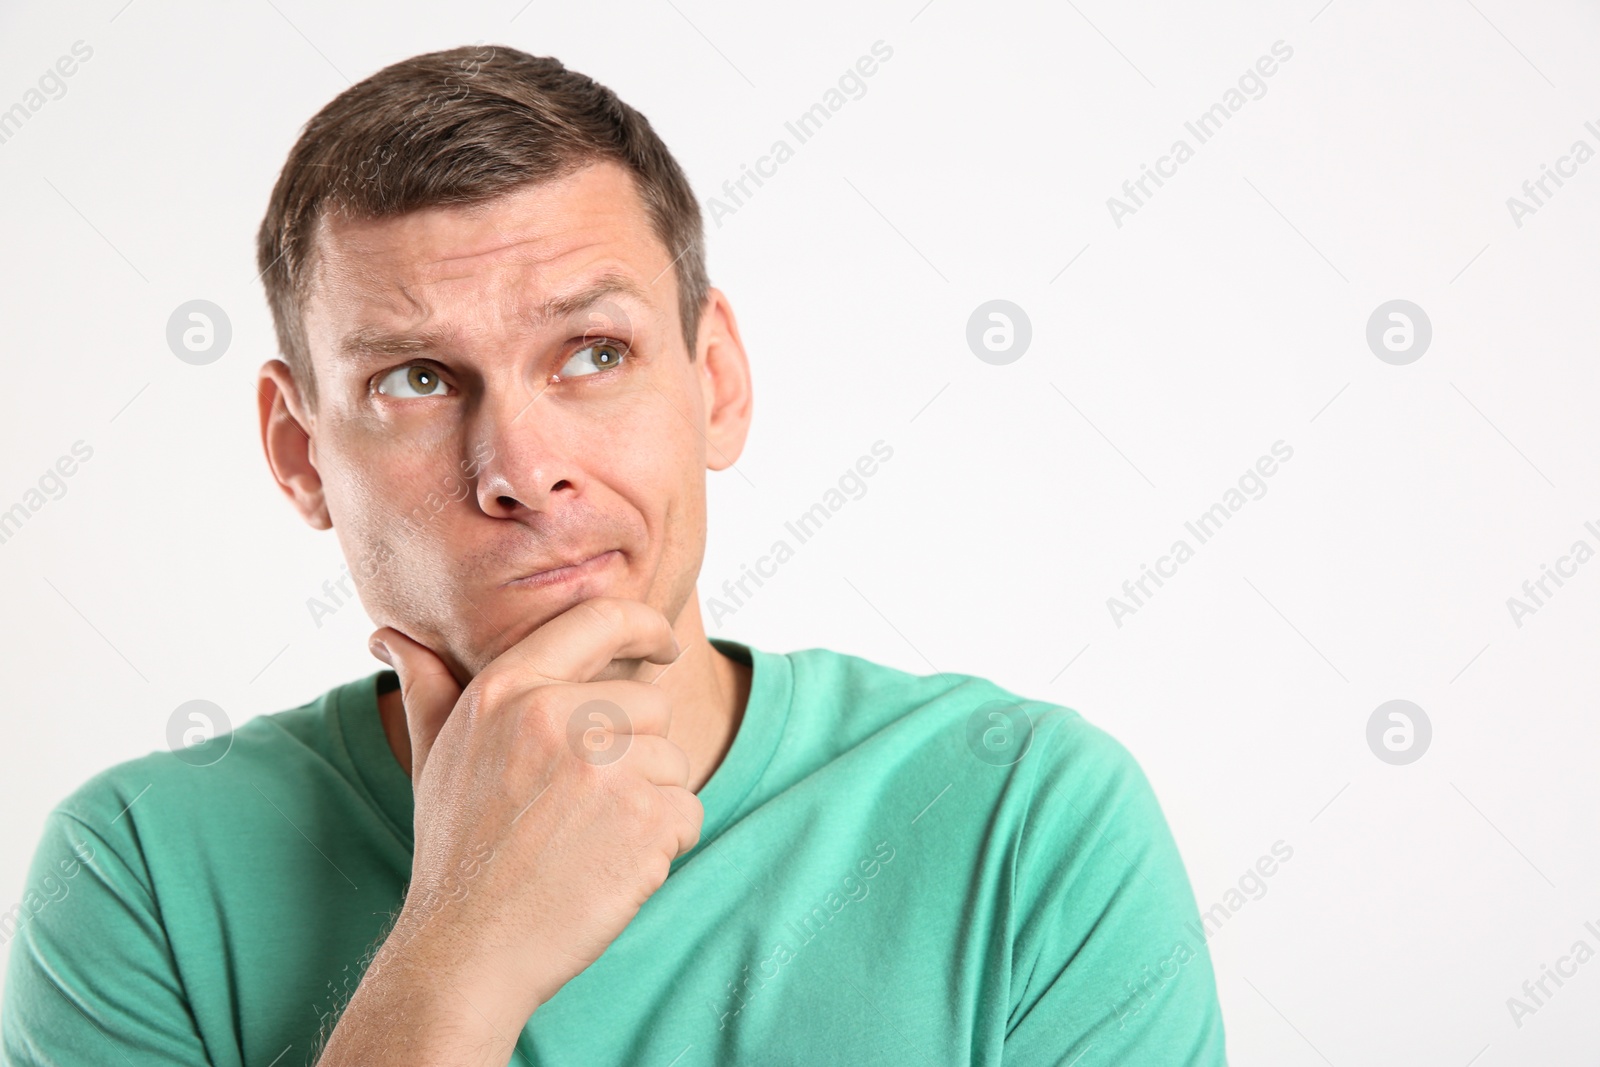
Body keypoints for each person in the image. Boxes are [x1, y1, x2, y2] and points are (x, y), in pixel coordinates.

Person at [1, 44, 1227, 1066]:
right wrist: (458, 942)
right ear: (299, 450)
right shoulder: (138, 873)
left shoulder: (1024, 813)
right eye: (417, 379)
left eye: (591, 350)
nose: (522, 469)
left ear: (716, 380)